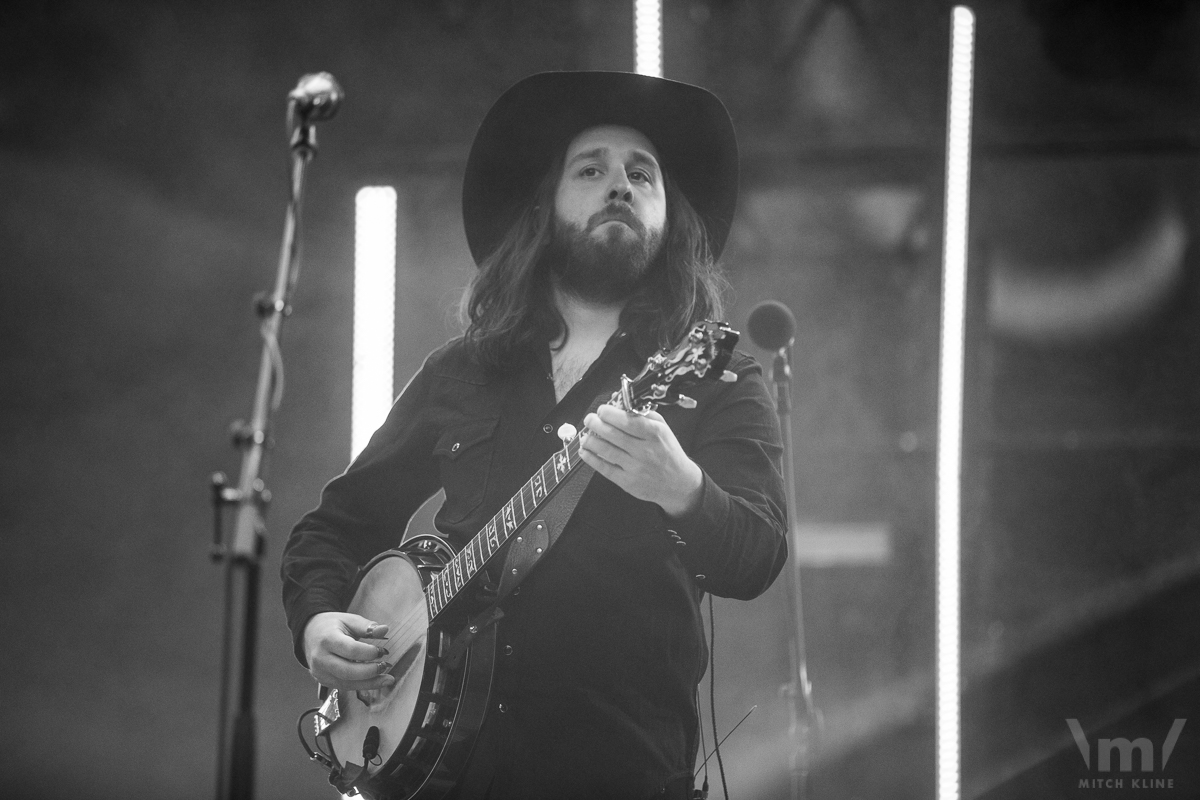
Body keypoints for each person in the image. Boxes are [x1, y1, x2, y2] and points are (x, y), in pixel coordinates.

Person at [282, 70, 788, 800]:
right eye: (592, 170)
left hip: (626, 771)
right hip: (451, 777)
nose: (620, 185)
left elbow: (758, 553)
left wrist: (683, 490)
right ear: (544, 207)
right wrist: (318, 622)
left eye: (641, 175)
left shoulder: (713, 371)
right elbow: (334, 527)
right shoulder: (463, 371)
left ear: (670, 215)